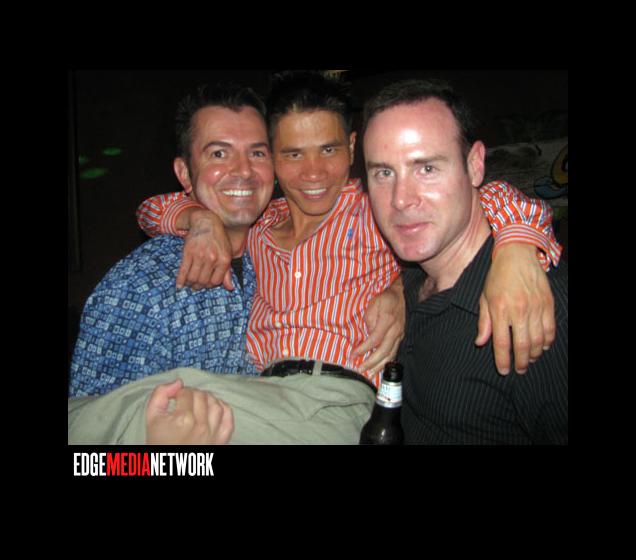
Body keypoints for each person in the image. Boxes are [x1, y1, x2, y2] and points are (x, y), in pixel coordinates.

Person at [136, 71, 562, 383]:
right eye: (293, 154)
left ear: (353, 147)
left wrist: (515, 250)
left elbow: (485, 194)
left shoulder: (375, 205)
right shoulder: (261, 224)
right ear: (271, 158)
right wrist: (200, 220)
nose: (314, 173)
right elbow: (151, 210)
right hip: (257, 388)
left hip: (337, 397)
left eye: (328, 149)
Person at [69, 82, 403, 398]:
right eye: (219, 154)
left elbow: (427, 241)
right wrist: (199, 219)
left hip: (334, 400)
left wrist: (402, 291)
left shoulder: (367, 211)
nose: (243, 170)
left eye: (256, 153)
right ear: (184, 173)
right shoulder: (146, 283)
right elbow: (93, 418)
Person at [362, 79, 567, 444]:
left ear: (474, 165)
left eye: (426, 168)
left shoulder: (538, 313)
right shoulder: (413, 276)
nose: (400, 199)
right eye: (384, 173)